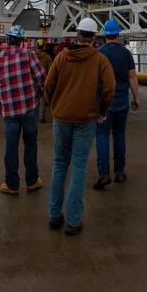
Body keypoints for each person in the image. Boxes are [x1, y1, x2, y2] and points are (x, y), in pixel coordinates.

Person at [44, 17, 115, 236]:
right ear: (94, 39)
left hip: (61, 117)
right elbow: (109, 89)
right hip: (86, 120)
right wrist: (101, 111)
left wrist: (55, 105)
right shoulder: (100, 60)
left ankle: (54, 215)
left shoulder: (62, 58)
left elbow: (48, 85)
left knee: (59, 165)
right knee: (79, 167)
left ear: (78, 35)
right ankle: (74, 221)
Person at [0, 24, 45, 194]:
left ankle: (12, 184)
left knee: (11, 147)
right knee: (30, 144)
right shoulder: (29, 55)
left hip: (10, 111)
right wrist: (40, 94)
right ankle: (32, 181)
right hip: (29, 108)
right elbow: (41, 77)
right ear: (22, 41)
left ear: (7, 39)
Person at [94, 19, 140, 189]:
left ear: (104, 33)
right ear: (118, 34)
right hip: (122, 100)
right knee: (119, 135)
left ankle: (104, 173)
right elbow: (132, 77)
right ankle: (120, 172)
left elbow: (95, 80)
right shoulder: (126, 53)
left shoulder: (98, 53)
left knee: (102, 136)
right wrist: (136, 98)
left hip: (104, 101)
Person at [36, 42, 55, 123]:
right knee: (42, 99)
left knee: (33, 99)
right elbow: (51, 69)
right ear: (43, 46)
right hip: (43, 80)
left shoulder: (32, 56)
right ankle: (41, 117)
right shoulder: (47, 57)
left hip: (33, 80)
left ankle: (33, 116)